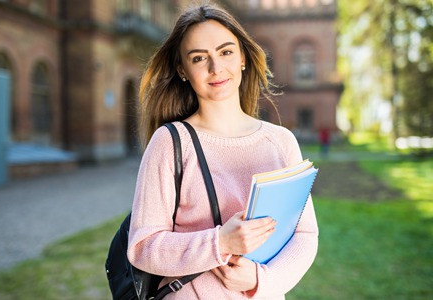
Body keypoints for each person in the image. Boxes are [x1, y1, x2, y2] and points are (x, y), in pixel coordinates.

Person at [127, 3, 318, 299]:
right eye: (199, 58)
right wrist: (221, 243)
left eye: (226, 52)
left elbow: (305, 236)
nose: (216, 68)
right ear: (182, 70)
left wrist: (259, 280)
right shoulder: (170, 142)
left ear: (242, 57)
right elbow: (142, 248)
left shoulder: (281, 141)